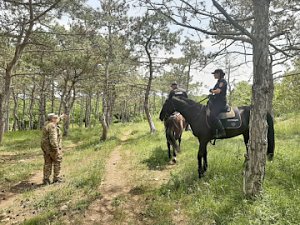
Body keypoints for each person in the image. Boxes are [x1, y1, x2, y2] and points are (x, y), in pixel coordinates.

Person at [41, 113, 63, 184]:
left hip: (46, 148)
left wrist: (61, 117)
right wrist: (56, 148)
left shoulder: (47, 124)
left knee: (47, 163)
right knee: (57, 162)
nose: (57, 119)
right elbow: (53, 139)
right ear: (52, 119)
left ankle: (46, 179)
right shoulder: (52, 126)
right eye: (55, 118)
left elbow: (58, 120)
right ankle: (57, 179)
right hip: (52, 148)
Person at [209, 69, 227, 138]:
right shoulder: (218, 82)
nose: (214, 75)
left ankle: (222, 131)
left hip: (221, 103)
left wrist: (212, 91)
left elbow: (218, 91)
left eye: (215, 74)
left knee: (213, 115)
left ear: (219, 74)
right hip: (216, 102)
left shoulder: (222, 81)